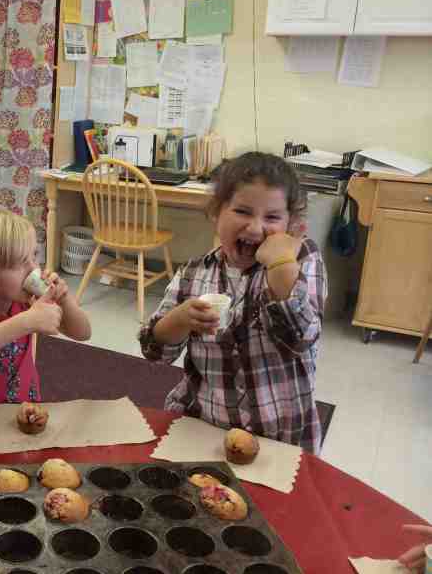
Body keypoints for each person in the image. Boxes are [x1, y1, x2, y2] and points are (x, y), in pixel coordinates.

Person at [139, 152, 327, 453]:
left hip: (280, 435)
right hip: (203, 426)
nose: (255, 228)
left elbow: (300, 340)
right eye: (242, 211)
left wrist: (281, 265)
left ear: (292, 224)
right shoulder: (193, 274)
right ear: (216, 213)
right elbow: (155, 352)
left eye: (272, 217)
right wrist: (180, 319)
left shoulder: (302, 259)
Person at [0, 209, 91, 406]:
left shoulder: (24, 301)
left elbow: (83, 333)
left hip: (26, 413)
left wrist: (64, 299)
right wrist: (27, 321)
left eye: (34, 256)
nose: (33, 268)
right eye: (20, 263)